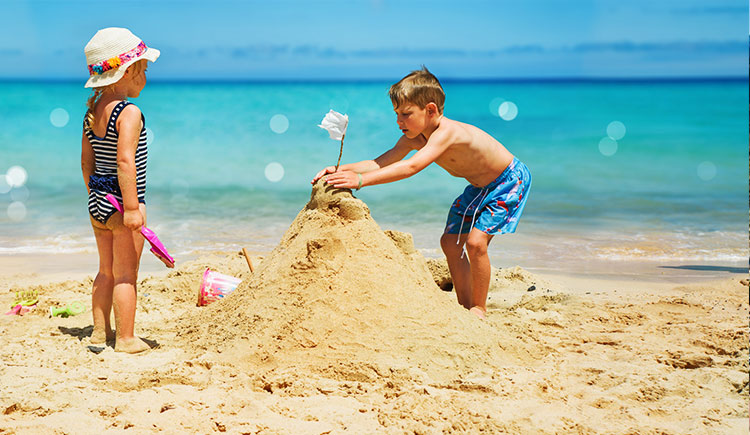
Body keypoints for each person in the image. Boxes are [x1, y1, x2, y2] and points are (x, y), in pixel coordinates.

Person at [312, 67, 531, 319]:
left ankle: (479, 308)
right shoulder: (414, 137)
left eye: (405, 114)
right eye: (396, 114)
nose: (399, 121)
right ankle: (464, 306)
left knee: (475, 242)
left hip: (508, 181)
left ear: (431, 110)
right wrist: (340, 169)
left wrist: (360, 181)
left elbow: (411, 166)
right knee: (450, 242)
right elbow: (381, 162)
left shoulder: (446, 133)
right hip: (479, 188)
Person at [80, 28, 160, 352]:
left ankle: (101, 333)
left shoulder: (92, 112)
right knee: (126, 273)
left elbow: (87, 164)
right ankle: (126, 338)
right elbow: (125, 161)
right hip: (123, 204)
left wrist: (96, 194)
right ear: (128, 72)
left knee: (104, 270)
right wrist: (130, 208)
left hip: (98, 202)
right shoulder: (128, 113)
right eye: (143, 69)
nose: (146, 77)